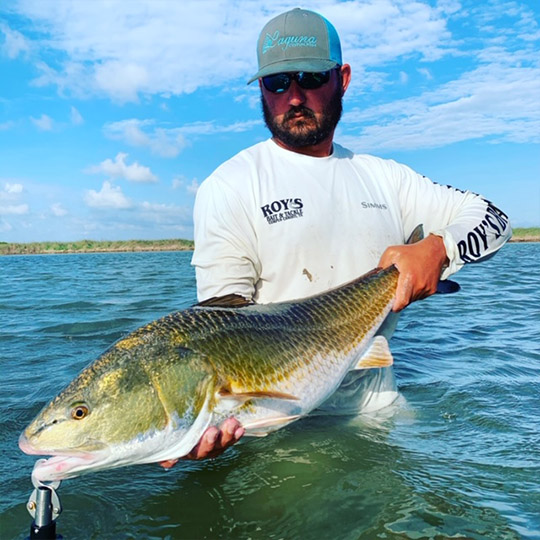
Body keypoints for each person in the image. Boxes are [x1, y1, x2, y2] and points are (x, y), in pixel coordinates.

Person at [160, 8, 511, 467]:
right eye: (277, 83)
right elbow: (221, 324)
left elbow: (492, 216)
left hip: (377, 416)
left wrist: (439, 248)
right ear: (261, 90)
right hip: (273, 438)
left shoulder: (385, 178)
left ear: (342, 78)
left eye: (309, 76)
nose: (294, 96)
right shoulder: (228, 187)